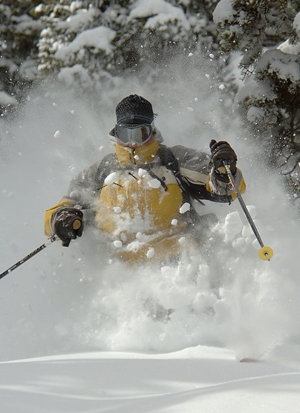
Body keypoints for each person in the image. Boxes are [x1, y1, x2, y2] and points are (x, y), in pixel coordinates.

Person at [44, 94, 246, 262]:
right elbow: (64, 205)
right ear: (116, 133)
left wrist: (222, 169)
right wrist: (61, 218)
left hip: (178, 257)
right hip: (122, 267)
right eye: (126, 134)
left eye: (140, 133)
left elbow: (227, 189)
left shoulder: (174, 159)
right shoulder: (102, 170)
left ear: (152, 131)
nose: (133, 143)